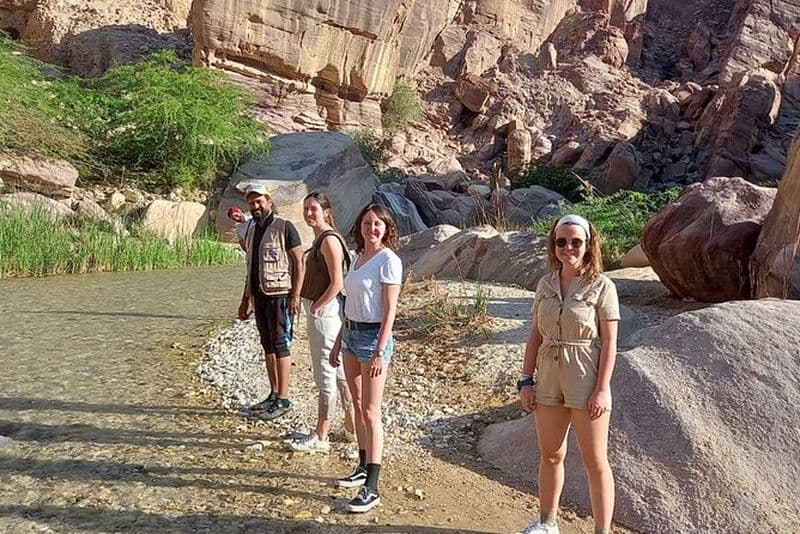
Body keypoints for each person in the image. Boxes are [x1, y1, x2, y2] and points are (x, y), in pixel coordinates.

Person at [517, 214, 620, 534]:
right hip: (548, 376)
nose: (568, 248)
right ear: (554, 245)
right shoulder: (545, 284)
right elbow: (535, 335)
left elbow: (610, 343)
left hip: (585, 377)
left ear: (589, 245)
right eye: (561, 241)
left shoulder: (602, 286)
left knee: (595, 461)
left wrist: (602, 389)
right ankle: (547, 523)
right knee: (550, 455)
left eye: (576, 242)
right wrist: (525, 379)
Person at [330, 203, 402, 513]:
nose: (371, 228)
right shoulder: (358, 259)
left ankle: (372, 486)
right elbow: (348, 305)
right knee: (357, 405)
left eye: (377, 224)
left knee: (372, 411)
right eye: (367, 223)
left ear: (386, 229)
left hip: (374, 338)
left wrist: (379, 352)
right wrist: (337, 342)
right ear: (360, 226)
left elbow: (389, 312)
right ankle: (361, 464)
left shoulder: (389, 260)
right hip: (351, 336)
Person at [290, 191, 356, 452]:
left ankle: (321, 435)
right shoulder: (322, 238)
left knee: (325, 373)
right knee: (338, 372)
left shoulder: (329, 240)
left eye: (313, 209)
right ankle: (351, 428)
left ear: (326, 211)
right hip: (326, 311)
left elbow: (338, 282)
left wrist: (317, 306)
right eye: (305, 209)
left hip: (326, 313)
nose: (308, 213)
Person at [237, 183, 305, 421]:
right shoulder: (252, 230)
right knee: (267, 345)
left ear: (269, 201)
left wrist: (295, 296)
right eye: (252, 203)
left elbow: (299, 262)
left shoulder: (285, 227)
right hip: (259, 296)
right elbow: (250, 268)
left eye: (259, 202)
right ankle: (274, 393)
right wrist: (245, 300)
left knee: (280, 344)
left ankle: (284, 399)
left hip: (279, 296)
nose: (256, 206)